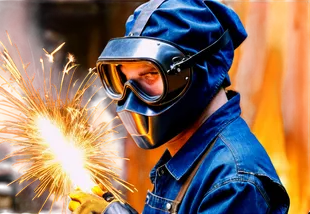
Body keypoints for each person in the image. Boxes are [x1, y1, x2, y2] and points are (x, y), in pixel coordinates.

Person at [67, 0, 290, 213]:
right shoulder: (190, 154)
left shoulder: (233, 181)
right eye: (126, 79)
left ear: (197, 73)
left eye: (150, 74)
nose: (132, 99)